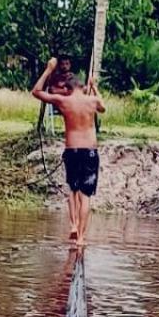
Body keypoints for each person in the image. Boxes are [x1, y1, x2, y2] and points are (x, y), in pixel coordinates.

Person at [31, 57, 105, 247]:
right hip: (90, 151)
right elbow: (102, 108)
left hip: (72, 150)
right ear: (82, 86)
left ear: (69, 88)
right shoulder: (92, 100)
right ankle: (81, 237)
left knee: (72, 191)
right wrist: (94, 87)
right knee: (86, 196)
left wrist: (48, 70)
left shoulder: (63, 101)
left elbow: (36, 91)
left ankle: (73, 225)